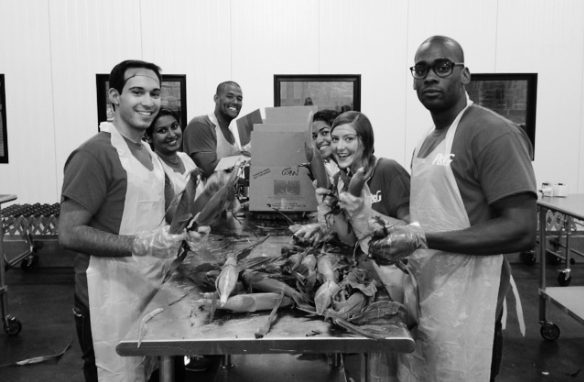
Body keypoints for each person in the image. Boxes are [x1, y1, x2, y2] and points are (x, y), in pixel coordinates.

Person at [369, 36, 537, 382]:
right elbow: (426, 217)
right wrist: (398, 236)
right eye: (421, 69)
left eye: (443, 66)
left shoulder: (493, 133)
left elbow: (521, 229)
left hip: (472, 296)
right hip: (430, 290)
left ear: (465, 75)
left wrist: (420, 238)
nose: (430, 76)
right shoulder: (425, 142)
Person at [59, 60, 190, 382]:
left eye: (155, 93)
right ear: (114, 96)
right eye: (137, 91)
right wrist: (140, 243)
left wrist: (201, 208)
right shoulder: (95, 155)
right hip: (106, 295)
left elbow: (171, 212)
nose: (148, 101)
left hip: (149, 286)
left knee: (150, 371)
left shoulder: (148, 153)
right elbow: (69, 233)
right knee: (114, 373)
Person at [182, 81, 245, 178]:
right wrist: (242, 156)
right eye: (229, 96)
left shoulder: (230, 131)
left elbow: (228, 175)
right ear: (216, 98)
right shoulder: (201, 124)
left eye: (239, 98)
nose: (235, 102)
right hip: (205, 193)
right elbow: (208, 170)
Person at [311, 109, 340, 178]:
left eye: (324, 133)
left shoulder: (357, 169)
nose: (318, 141)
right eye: (314, 136)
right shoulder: (321, 170)